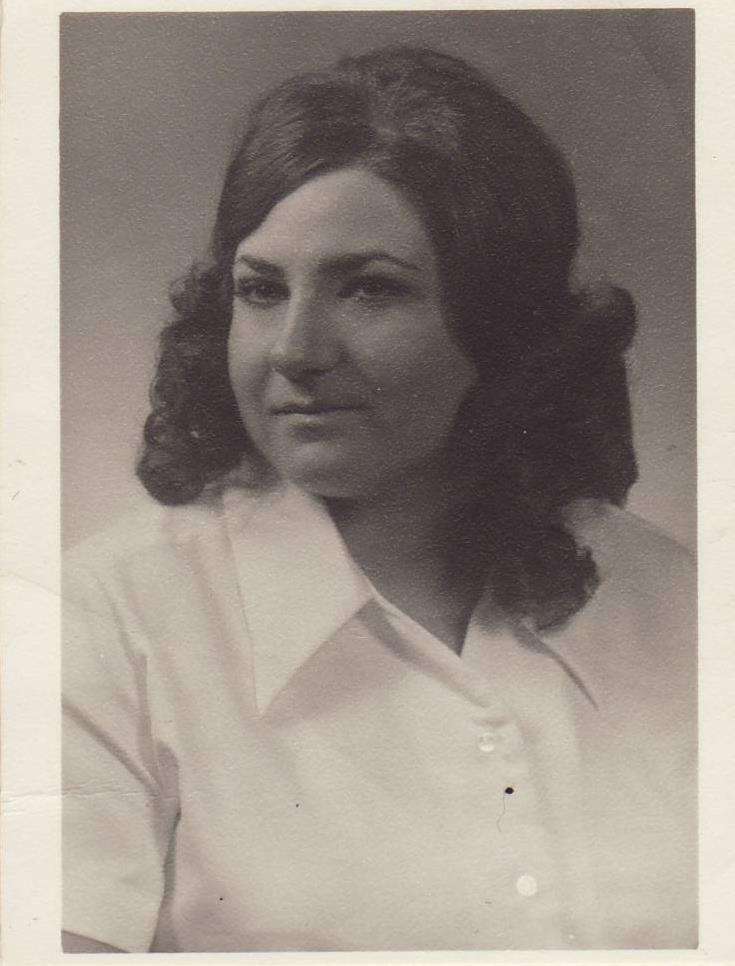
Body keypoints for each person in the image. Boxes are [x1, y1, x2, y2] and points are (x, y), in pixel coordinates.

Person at [62, 46, 696, 953]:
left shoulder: (675, 602)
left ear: (501, 321)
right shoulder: (97, 627)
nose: (294, 348)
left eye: (368, 289)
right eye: (260, 290)